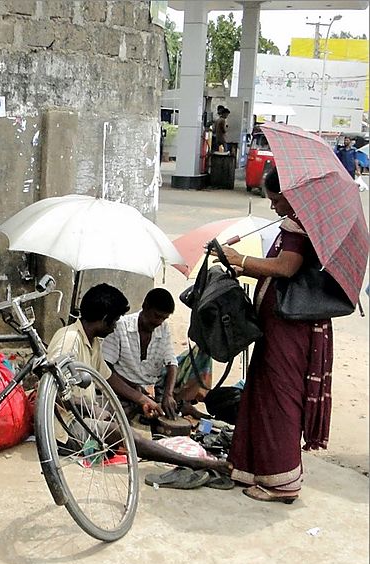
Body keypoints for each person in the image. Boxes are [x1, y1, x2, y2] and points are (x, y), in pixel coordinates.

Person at [210, 166, 333, 504]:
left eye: (276, 200)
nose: (274, 207)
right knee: (263, 390)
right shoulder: (297, 222)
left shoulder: (299, 224)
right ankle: (253, 467)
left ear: (290, 195)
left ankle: (282, 482)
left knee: (281, 396)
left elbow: (286, 268)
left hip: (290, 329)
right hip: (280, 325)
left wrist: (243, 260)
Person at [46, 284, 229, 474]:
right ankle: (192, 462)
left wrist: (143, 400)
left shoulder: (91, 341)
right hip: (64, 427)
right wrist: (91, 408)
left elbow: (110, 379)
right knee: (122, 432)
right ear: (104, 319)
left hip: (81, 413)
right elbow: (51, 390)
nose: (116, 325)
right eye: (115, 320)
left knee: (123, 408)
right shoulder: (69, 340)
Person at [101, 288, 179, 419]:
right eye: (157, 316)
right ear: (144, 307)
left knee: (173, 406)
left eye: (164, 318)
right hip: (123, 390)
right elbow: (106, 369)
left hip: (149, 393)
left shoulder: (163, 327)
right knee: (116, 416)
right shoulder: (120, 326)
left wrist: (168, 395)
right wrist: (135, 389)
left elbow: (172, 363)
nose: (159, 322)